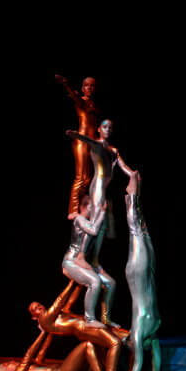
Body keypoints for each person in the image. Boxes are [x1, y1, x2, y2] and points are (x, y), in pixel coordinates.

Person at [66, 119, 134, 325]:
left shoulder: (113, 150)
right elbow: (87, 140)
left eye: (111, 127)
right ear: (99, 129)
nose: (108, 130)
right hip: (97, 187)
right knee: (96, 222)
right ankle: (81, 256)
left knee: (103, 226)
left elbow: (123, 166)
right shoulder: (97, 144)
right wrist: (76, 135)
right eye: (105, 127)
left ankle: (94, 261)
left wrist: (132, 175)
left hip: (104, 188)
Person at [27, 280, 129, 371]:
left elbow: (70, 301)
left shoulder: (57, 315)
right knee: (115, 343)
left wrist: (78, 284)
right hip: (84, 329)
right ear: (34, 317)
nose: (39, 307)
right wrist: (71, 283)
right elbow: (59, 301)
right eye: (35, 309)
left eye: (38, 305)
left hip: (87, 326)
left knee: (104, 349)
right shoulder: (45, 320)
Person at [122, 170, 161, 371]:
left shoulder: (155, 326)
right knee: (135, 230)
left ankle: (136, 191)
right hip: (137, 272)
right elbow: (138, 361)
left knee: (142, 232)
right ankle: (132, 193)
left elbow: (155, 355)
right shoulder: (138, 330)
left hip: (148, 272)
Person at [61, 195, 115, 328]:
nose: (95, 210)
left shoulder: (90, 222)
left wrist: (108, 213)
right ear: (84, 207)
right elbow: (93, 230)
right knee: (95, 281)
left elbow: (110, 234)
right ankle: (89, 319)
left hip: (85, 262)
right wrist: (102, 212)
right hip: (71, 261)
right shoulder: (79, 219)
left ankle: (106, 319)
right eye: (93, 207)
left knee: (110, 283)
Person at [0, 330, 107, 371]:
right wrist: (43, 332)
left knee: (94, 342)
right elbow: (29, 353)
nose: (12, 361)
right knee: (87, 345)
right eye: (8, 363)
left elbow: (42, 351)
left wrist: (49, 331)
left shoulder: (27, 369)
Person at [55, 75, 101, 219]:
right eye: (87, 85)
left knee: (88, 179)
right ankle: (73, 210)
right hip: (81, 142)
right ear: (82, 88)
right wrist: (66, 84)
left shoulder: (94, 105)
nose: (90, 88)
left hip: (91, 143)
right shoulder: (82, 101)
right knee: (81, 177)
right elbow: (74, 97)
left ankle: (82, 208)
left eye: (92, 85)